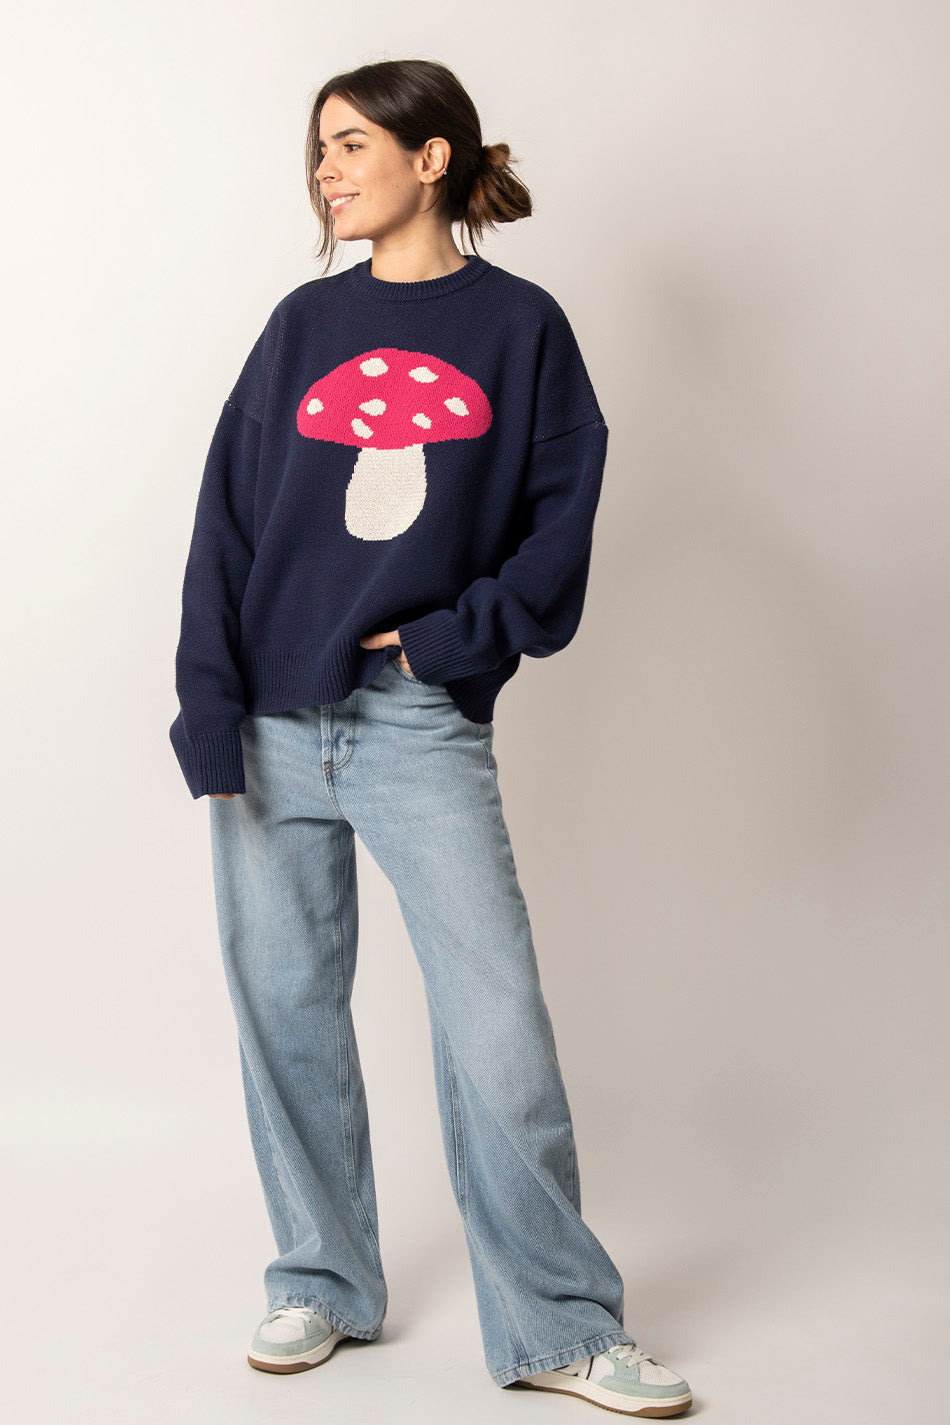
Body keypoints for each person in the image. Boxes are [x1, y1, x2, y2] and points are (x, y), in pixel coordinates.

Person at [169, 57, 692, 1418]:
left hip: (414, 723)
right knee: (284, 1010)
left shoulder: (521, 327)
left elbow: (560, 518)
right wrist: (210, 707)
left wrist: (456, 639)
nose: (326, 170)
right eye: (319, 148)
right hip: (270, 717)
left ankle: (560, 1323)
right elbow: (225, 525)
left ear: (432, 156)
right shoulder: (301, 324)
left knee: (496, 1023)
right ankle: (321, 1281)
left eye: (352, 144)